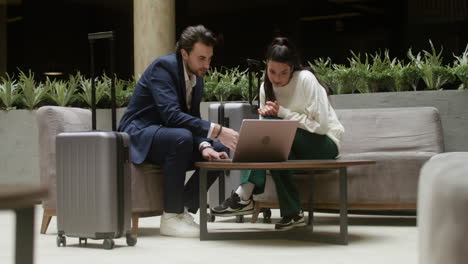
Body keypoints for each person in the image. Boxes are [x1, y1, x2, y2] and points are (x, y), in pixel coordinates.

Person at [211, 37, 345, 230]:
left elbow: (322, 127)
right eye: (272, 71)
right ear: (266, 65)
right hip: (291, 145)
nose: (277, 78)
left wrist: (282, 114)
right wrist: (269, 121)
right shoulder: (266, 88)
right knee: (274, 147)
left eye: (283, 73)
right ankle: (293, 213)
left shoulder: (306, 79)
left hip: (324, 143)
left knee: (272, 133)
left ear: (292, 68)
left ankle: (243, 196)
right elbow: (264, 141)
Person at [118, 25, 238, 238]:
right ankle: (170, 216)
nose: (207, 65)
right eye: (201, 58)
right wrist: (217, 130)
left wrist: (205, 145)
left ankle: (183, 211)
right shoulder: (163, 67)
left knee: (219, 152)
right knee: (182, 138)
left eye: (209, 59)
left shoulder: (197, 78)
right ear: (184, 53)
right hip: (139, 133)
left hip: (168, 135)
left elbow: (190, 118)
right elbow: (172, 116)